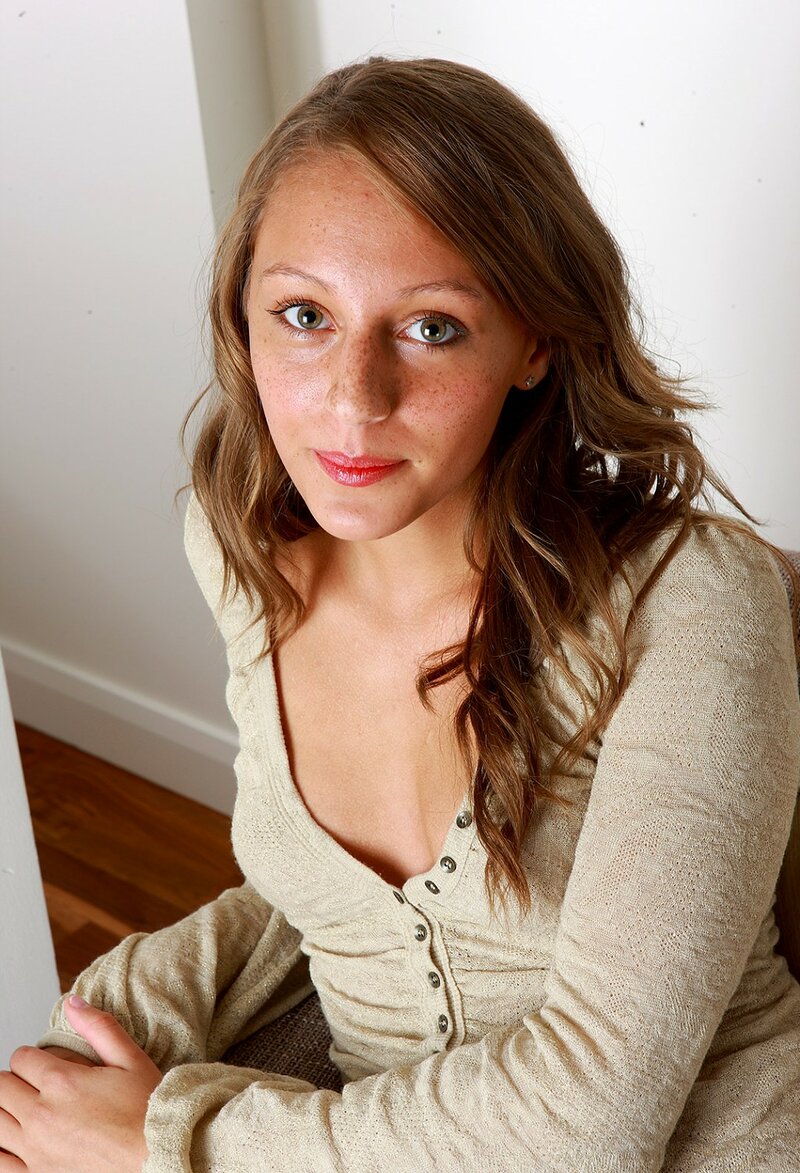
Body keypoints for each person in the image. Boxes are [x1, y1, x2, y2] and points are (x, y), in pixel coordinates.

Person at [1, 56, 798, 1172]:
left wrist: (170, 1137)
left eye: (431, 327)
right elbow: (322, 899)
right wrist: (110, 1022)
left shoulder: (688, 599)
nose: (353, 399)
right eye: (304, 316)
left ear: (534, 341)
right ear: (242, 319)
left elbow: (595, 1119)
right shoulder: (240, 550)